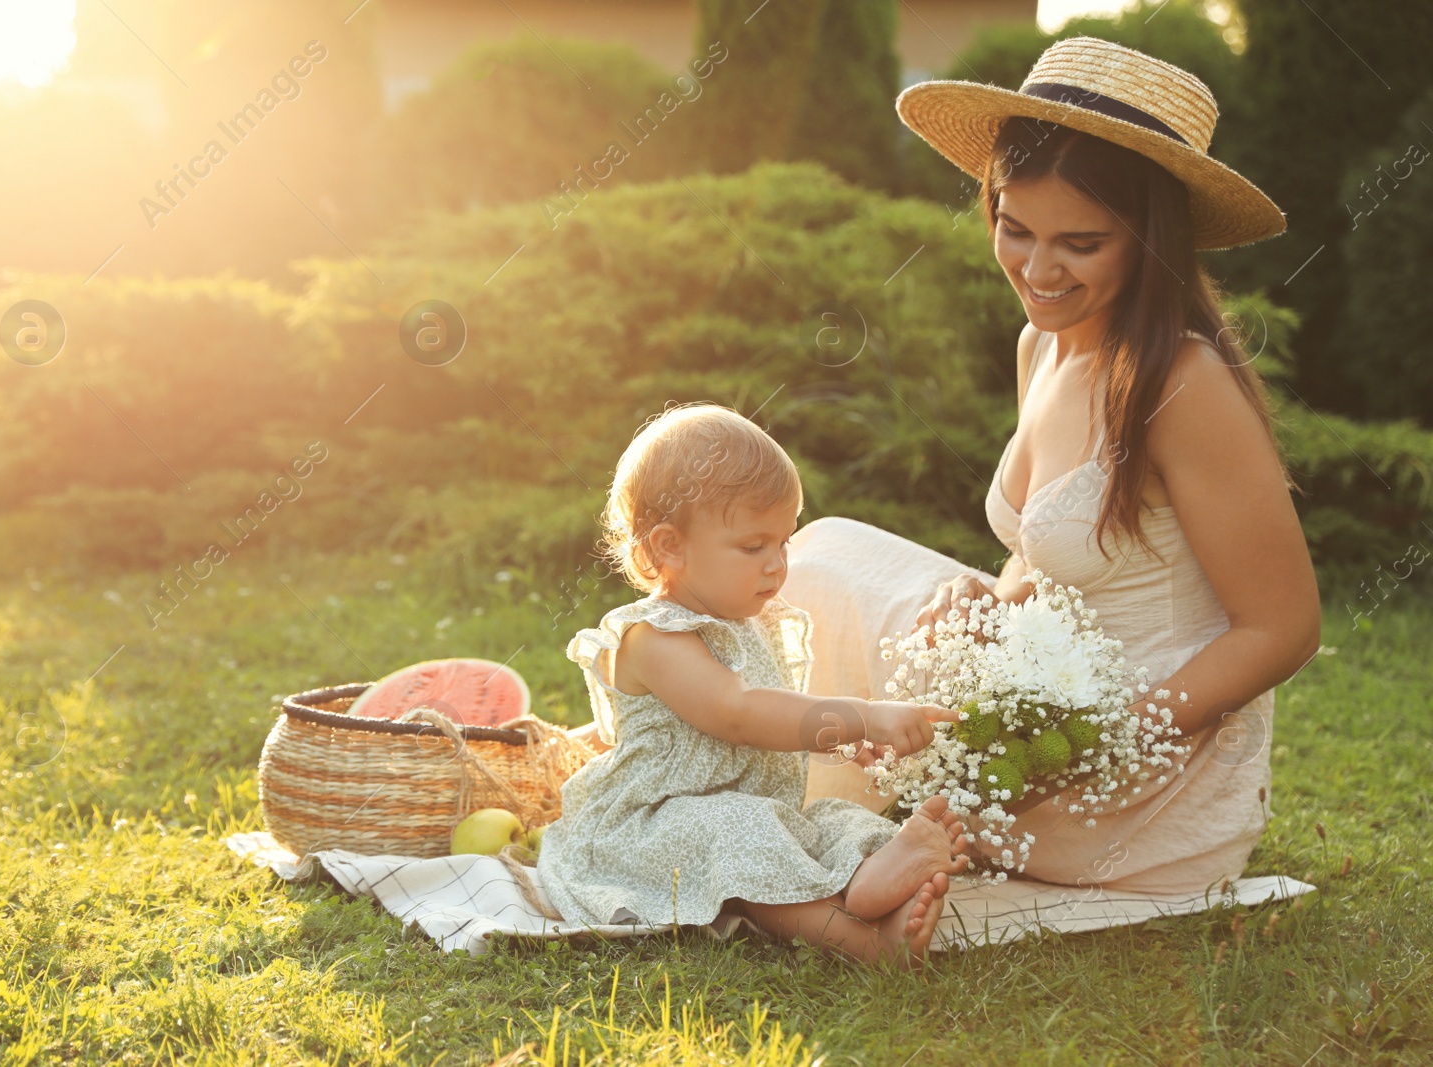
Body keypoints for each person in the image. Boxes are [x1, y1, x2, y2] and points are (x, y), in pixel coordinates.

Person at [782, 38, 1321, 894]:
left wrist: (1107, 739)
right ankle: (753, 804)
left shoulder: (1185, 384)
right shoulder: (1046, 344)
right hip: (1033, 720)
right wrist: (992, 600)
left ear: (1150, 242)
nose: (1037, 269)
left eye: (1080, 243)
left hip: (1140, 776)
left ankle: (803, 821)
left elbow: (1283, 627)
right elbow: (1051, 555)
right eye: (1014, 227)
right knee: (817, 557)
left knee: (825, 573)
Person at [538, 403, 970, 966]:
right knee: (741, 833)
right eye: (753, 546)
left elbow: (778, 712)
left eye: (784, 542)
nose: (777, 565)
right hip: (651, 828)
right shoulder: (653, 637)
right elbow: (737, 712)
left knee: (828, 823)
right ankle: (867, 944)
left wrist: (839, 737)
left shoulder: (752, 622)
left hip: (758, 809)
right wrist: (860, 714)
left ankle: (876, 885)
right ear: (669, 546)